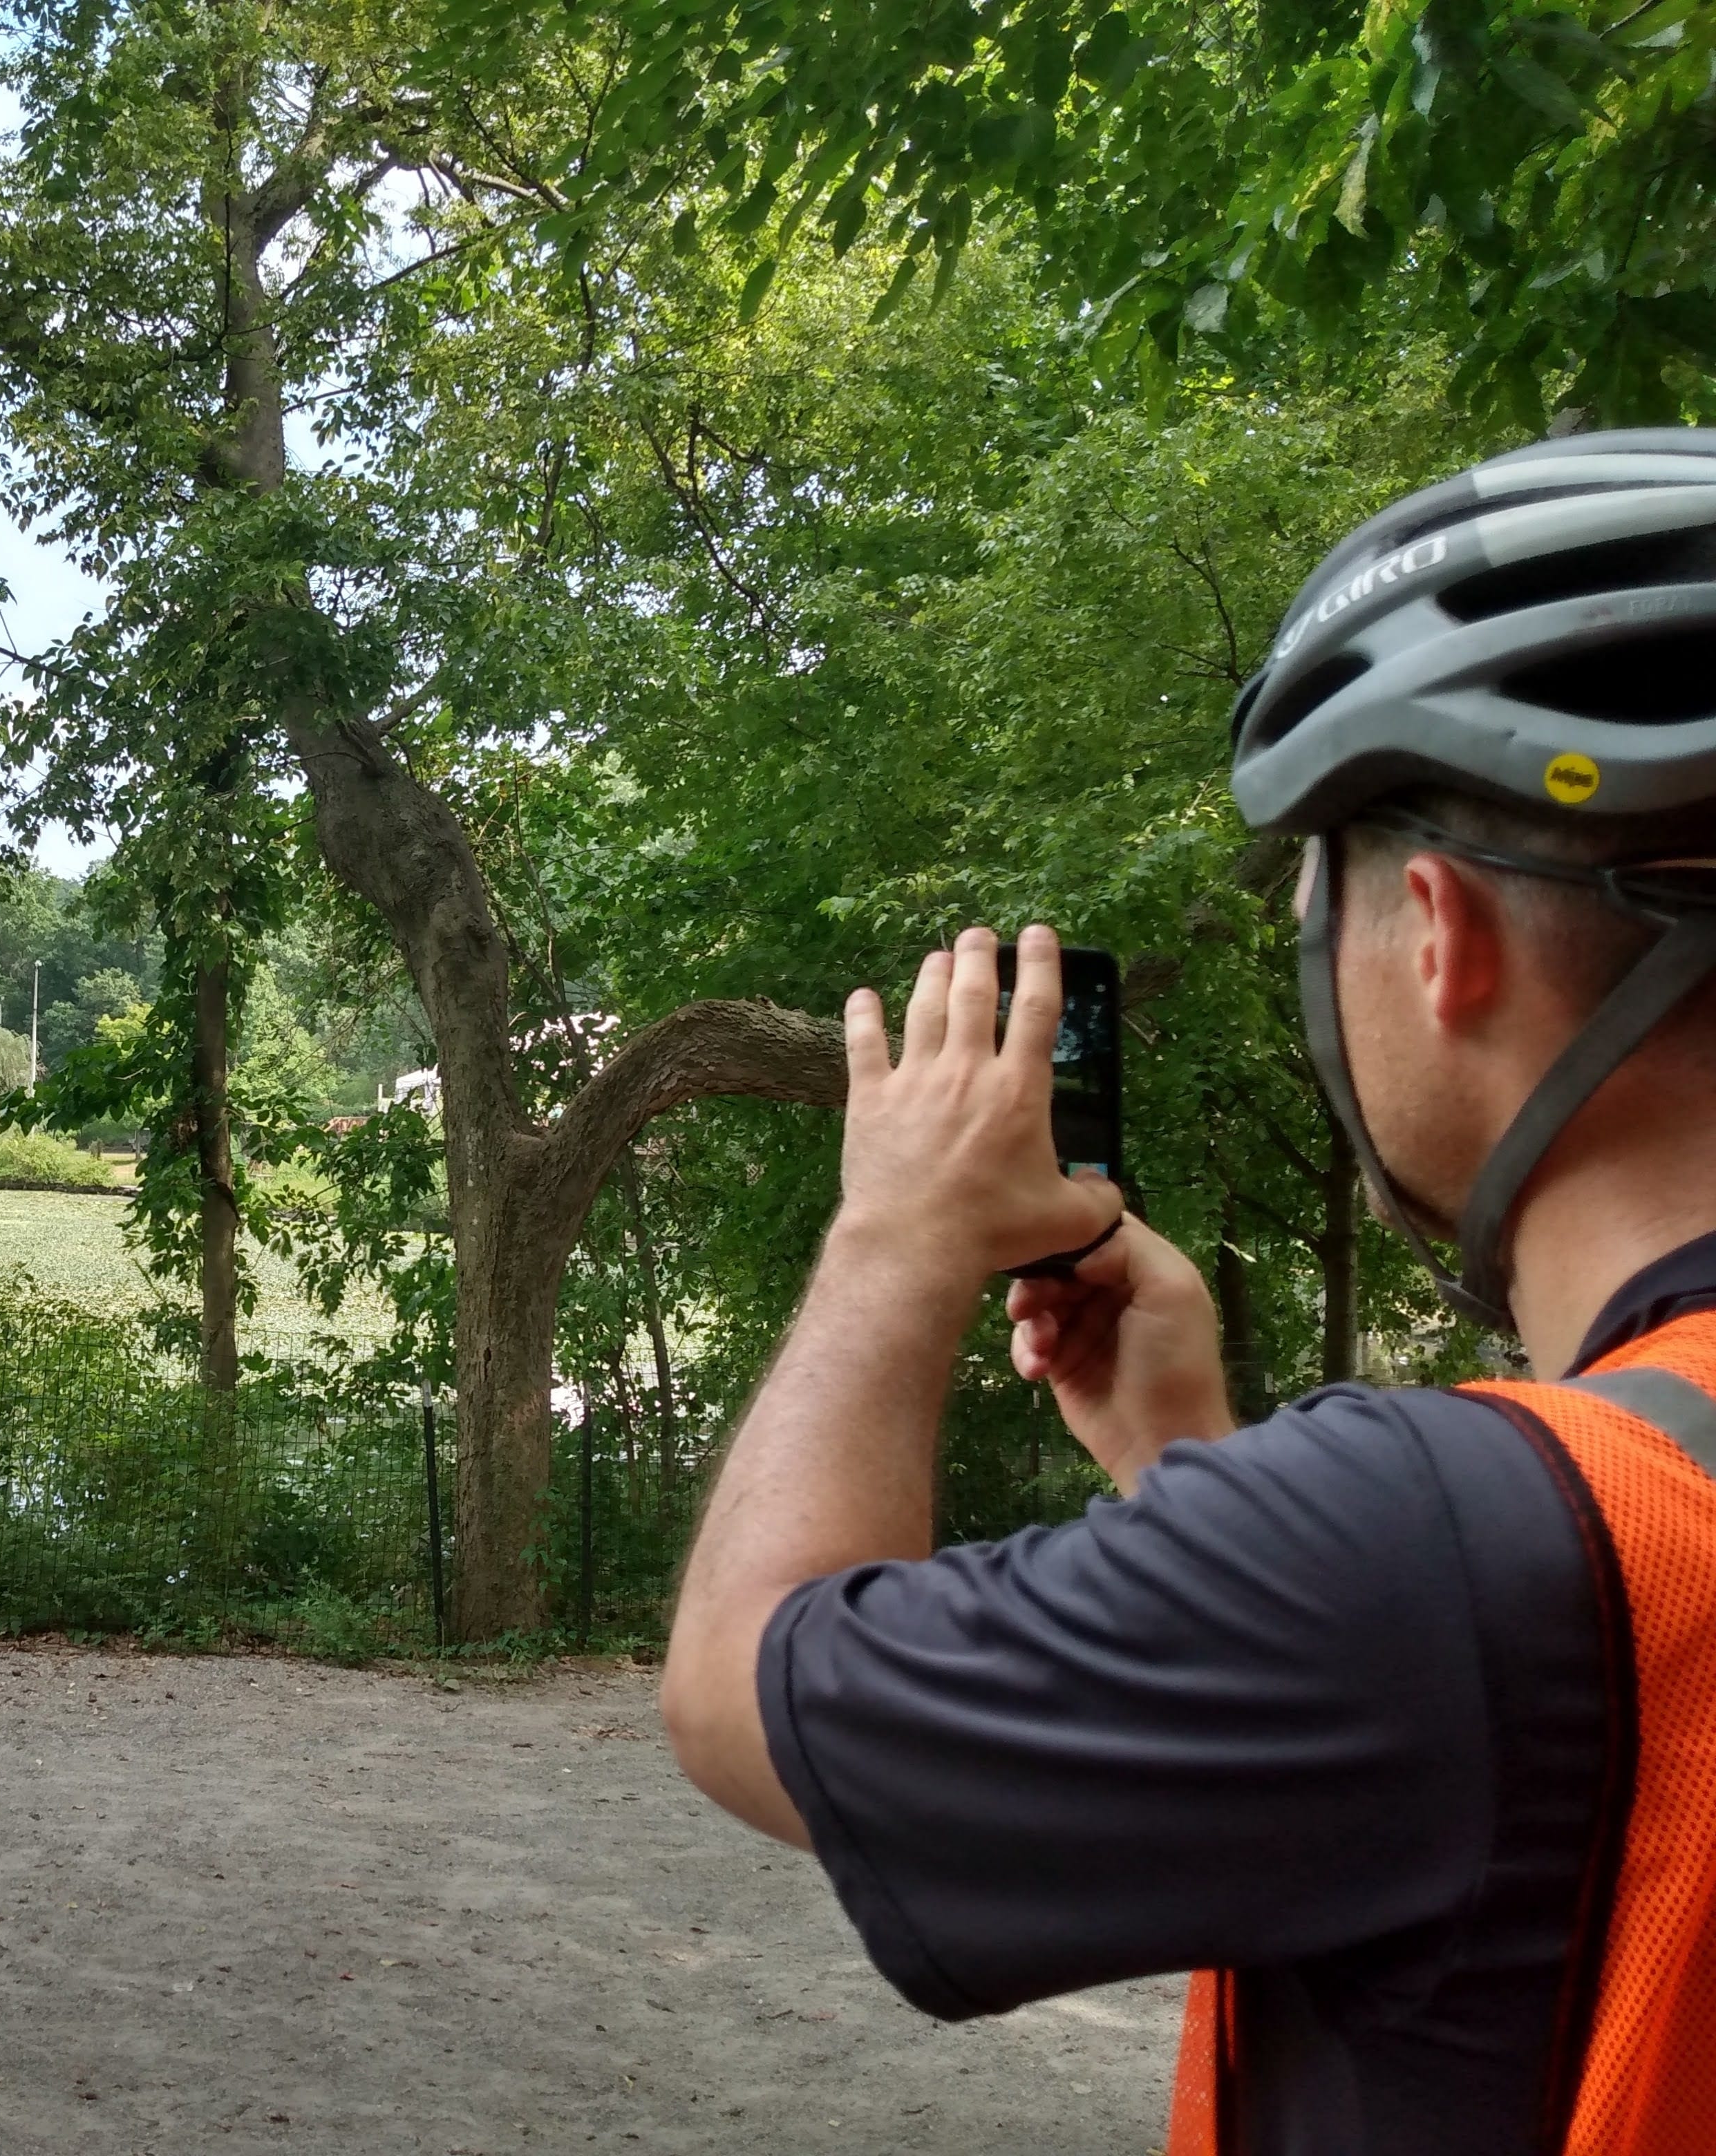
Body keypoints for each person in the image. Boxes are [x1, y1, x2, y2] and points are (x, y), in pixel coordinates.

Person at [659, 430, 1716, 2155]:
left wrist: (894, 1235)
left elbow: (742, 1693)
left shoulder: (1443, 1544)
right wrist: (1185, 1453)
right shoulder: (1461, 1578)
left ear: (1438, 935)